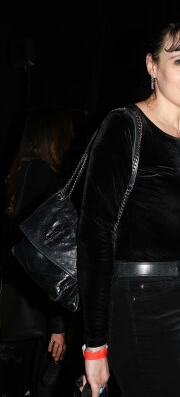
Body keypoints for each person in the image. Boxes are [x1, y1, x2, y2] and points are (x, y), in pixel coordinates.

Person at [76, 19, 180, 397]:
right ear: (152, 66)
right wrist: (95, 344)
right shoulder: (125, 126)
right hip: (142, 303)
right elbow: (95, 235)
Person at [0, 107, 74, 396]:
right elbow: (48, 256)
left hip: (18, 295)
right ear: (52, 138)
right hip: (33, 303)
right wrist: (58, 323)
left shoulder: (21, 171)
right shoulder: (41, 174)